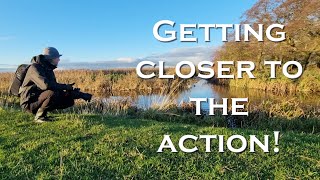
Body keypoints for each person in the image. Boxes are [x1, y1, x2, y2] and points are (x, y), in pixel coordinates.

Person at [19, 47, 92, 123]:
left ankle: (43, 115)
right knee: (52, 93)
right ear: (51, 58)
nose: (59, 60)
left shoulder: (48, 69)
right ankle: (39, 117)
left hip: (38, 98)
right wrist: (65, 86)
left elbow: (54, 86)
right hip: (29, 103)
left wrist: (77, 94)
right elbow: (46, 86)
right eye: (57, 58)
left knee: (69, 101)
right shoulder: (34, 68)